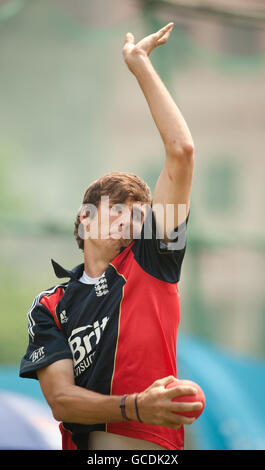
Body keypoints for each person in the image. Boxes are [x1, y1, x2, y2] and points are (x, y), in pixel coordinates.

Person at [19, 23, 200, 450]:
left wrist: (139, 66)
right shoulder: (50, 305)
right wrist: (136, 406)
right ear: (84, 220)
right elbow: (61, 401)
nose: (129, 223)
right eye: (116, 210)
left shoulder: (154, 258)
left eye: (139, 217)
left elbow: (182, 152)